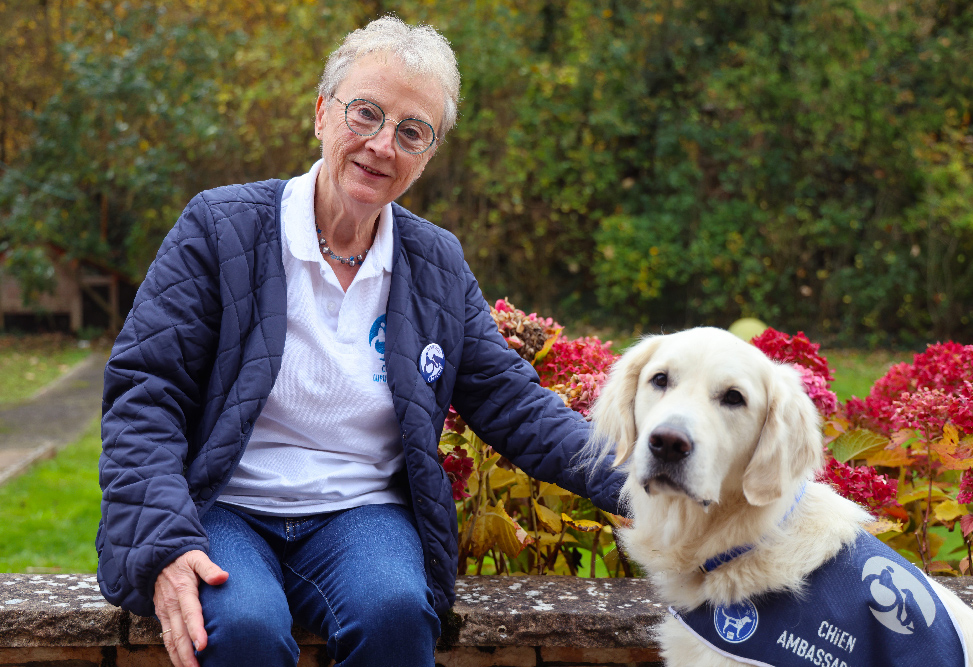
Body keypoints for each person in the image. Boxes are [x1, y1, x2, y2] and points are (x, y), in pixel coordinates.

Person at [96, 15, 623, 667]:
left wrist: (653, 479)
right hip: (226, 505)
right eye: (365, 113)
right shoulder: (219, 229)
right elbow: (145, 394)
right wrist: (164, 543)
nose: (381, 144)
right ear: (322, 113)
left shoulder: (434, 263)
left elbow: (516, 406)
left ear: (427, 156)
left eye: (411, 132)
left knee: (396, 612)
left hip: (360, 513)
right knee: (247, 629)